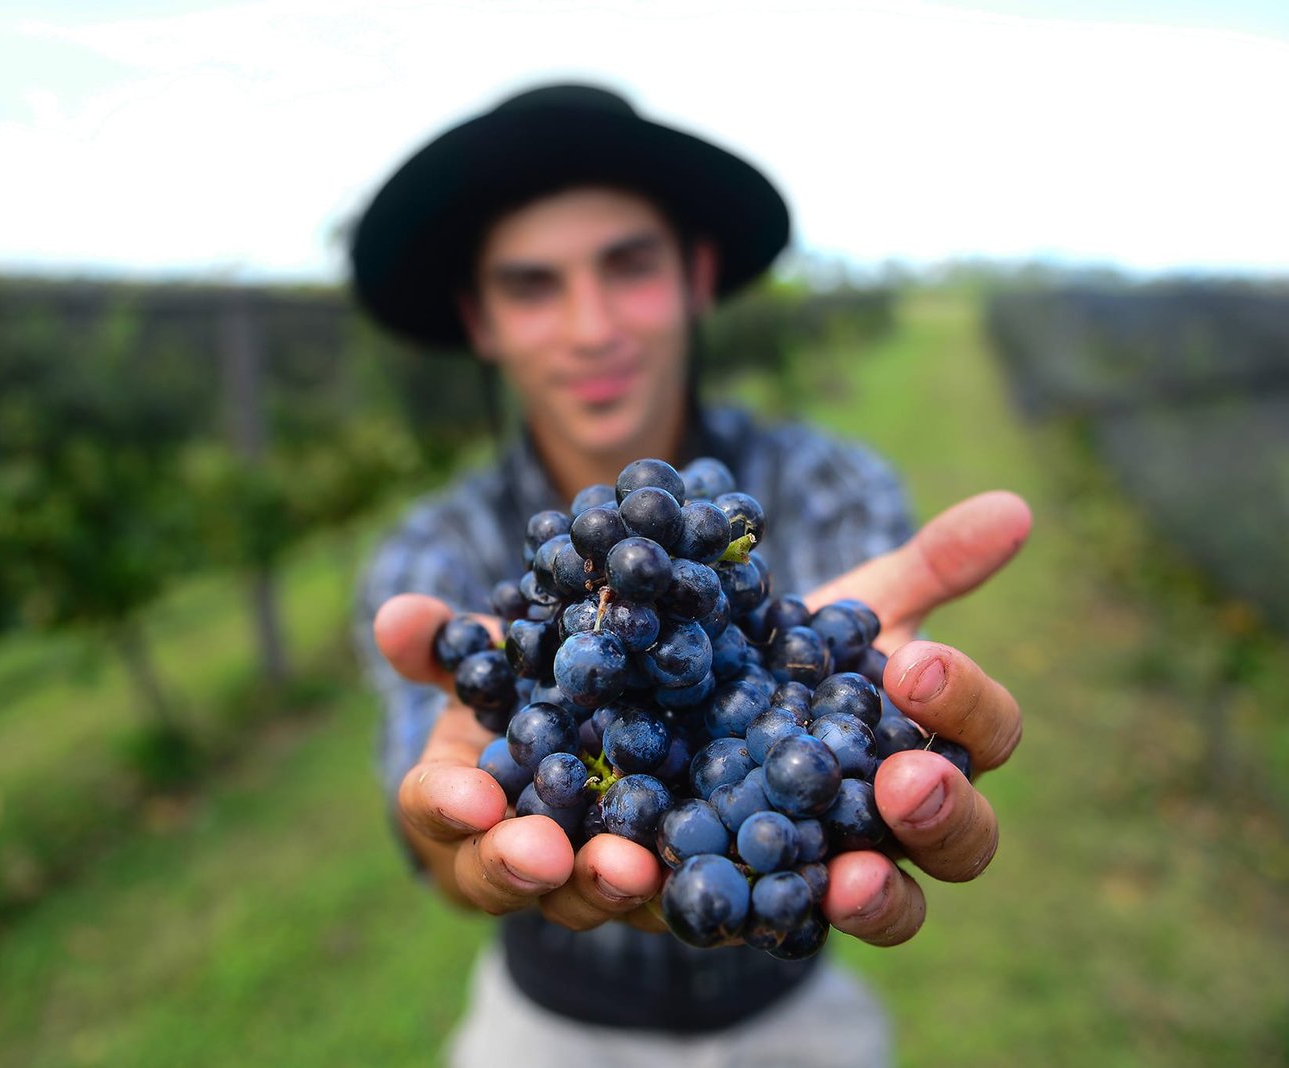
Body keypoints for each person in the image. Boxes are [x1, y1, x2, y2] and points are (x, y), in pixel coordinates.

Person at [350, 83, 1030, 1066]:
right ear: (481, 320)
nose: (590, 327)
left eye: (627, 267)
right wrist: (458, 845)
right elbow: (433, 821)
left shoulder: (831, 486)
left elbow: (837, 689)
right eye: (533, 284)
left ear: (697, 275)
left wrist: (879, 728)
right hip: (546, 1030)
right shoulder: (428, 551)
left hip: (794, 1024)